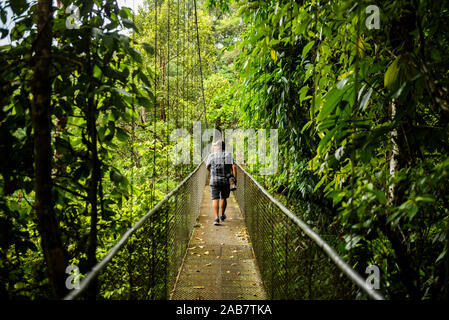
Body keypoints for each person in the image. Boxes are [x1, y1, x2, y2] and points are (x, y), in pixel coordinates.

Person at [206, 140, 237, 225]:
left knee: (215, 198)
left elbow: (207, 167)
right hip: (225, 181)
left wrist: (212, 173)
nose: (214, 147)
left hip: (214, 181)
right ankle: (222, 215)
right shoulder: (228, 155)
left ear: (219, 146)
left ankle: (216, 218)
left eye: (215, 146)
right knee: (224, 198)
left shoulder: (211, 155)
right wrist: (234, 178)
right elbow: (234, 166)